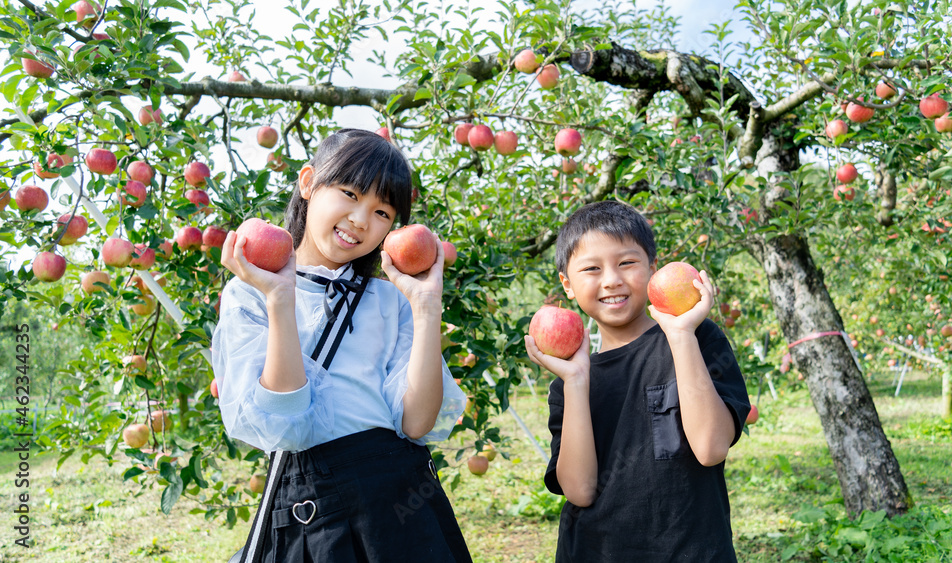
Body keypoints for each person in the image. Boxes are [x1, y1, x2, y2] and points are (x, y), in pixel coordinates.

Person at [211, 129, 472, 562]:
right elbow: (285, 428)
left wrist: (427, 310)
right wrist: (280, 299)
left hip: (399, 498)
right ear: (308, 182)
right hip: (316, 509)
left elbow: (417, 423)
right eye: (349, 193)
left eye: (382, 212)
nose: (360, 219)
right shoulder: (250, 294)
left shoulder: (390, 300)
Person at [524, 200, 750, 562]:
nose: (612, 279)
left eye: (627, 263)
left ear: (652, 269)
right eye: (592, 268)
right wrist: (576, 382)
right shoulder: (568, 381)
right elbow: (580, 491)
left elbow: (710, 448)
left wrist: (680, 336)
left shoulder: (697, 338)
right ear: (567, 284)